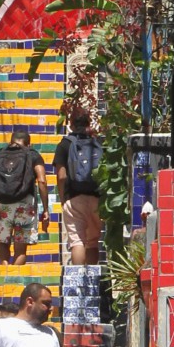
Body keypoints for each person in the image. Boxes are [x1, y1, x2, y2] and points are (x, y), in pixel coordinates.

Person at [0, 126, 50, 264]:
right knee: (20, 249)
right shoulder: (33, 154)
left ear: (11, 141)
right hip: (25, 204)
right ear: (29, 144)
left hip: (2, 204)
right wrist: (45, 209)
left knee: (3, 243)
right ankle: (15, 277)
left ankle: (5, 273)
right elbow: (42, 180)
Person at [54, 108, 103, 265]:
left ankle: (79, 282)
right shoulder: (98, 143)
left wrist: (63, 199)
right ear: (89, 122)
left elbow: (61, 176)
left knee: (77, 241)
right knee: (93, 241)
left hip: (74, 198)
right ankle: (92, 285)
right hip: (97, 198)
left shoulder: (65, 144)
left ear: (71, 124)